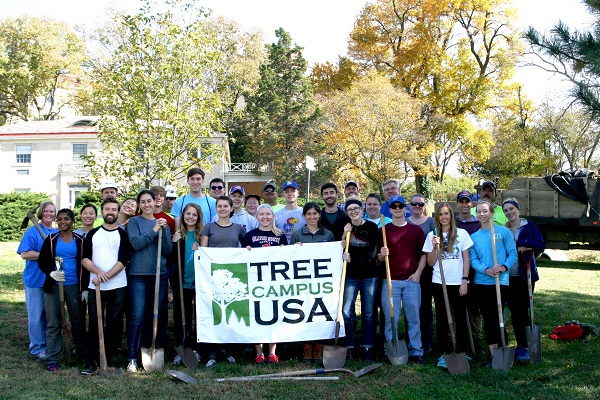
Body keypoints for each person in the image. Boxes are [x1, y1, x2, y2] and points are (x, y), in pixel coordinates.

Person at [81, 198, 131, 375]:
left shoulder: (123, 234)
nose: (110, 212)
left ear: (118, 212)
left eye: (114, 209)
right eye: (107, 209)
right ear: (102, 212)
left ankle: (106, 357)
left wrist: (106, 276)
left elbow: (123, 260)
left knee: (114, 323)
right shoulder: (93, 234)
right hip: (96, 286)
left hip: (117, 285)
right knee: (94, 322)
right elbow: (85, 258)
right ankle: (90, 360)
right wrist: (97, 272)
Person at [126, 190, 172, 373]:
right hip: (138, 274)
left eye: (149, 201)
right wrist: (154, 230)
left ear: (155, 203)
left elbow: (167, 250)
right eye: (142, 202)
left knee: (156, 314)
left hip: (159, 274)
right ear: (139, 205)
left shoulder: (162, 223)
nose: (146, 205)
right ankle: (131, 357)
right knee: (137, 315)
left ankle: (152, 347)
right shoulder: (134, 222)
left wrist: (165, 230)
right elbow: (136, 244)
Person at [377, 195, 427, 364]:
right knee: (391, 318)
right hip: (390, 282)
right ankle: (390, 348)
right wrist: (382, 256)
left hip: (411, 281)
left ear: (405, 208)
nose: (397, 209)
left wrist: (418, 273)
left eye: (400, 206)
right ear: (390, 210)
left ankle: (416, 351)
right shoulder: (383, 231)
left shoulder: (415, 230)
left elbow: (423, 254)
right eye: (394, 206)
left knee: (413, 318)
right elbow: (378, 258)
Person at [423, 203, 473, 369]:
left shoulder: (462, 234)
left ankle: (461, 351)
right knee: (443, 318)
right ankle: (445, 352)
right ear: (437, 217)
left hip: (458, 282)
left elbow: (466, 258)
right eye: (441, 214)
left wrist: (465, 279)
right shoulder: (432, 235)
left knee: (460, 317)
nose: (444, 217)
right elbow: (430, 263)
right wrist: (435, 247)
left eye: (447, 213)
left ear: (451, 215)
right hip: (439, 282)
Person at [37, 208, 86, 372]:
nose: (63, 222)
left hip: (73, 285)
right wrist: (51, 272)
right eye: (60, 219)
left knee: (77, 321)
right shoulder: (51, 239)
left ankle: (81, 352)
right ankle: (52, 358)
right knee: (53, 323)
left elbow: (85, 264)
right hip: (54, 286)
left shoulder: (80, 239)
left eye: (66, 219)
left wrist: (84, 288)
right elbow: (43, 260)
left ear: (72, 221)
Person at [469, 200, 517, 365]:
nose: (482, 214)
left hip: (500, 281)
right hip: (482, 282)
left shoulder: (503, 233)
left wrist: (503, 267)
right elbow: (473, 259)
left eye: (485, 211)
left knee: (499, 315)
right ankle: (493, 354)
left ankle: (503, 348)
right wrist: (485, 269)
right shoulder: (474, 237)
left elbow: (513, 254)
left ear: (491, 213)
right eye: (479, 212)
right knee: (488, 318)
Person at [201, 195, 246, 367]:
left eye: (225, 206)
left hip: (232, 276)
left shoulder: (238, 228)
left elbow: (246, 247)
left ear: (231, 208)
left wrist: (248, 249)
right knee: (214, 313)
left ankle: (228, 351)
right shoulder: (209, 227)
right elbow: (203, 252)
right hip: (212, 276)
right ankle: (212, 352)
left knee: (229, 314)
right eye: (219, 206)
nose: (222, 209)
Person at [242, 204, 288, 364]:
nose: (265, 217)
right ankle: (259, 352)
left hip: (274, 282)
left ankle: (272, 352)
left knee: (274, 314)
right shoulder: (249, 236)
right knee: (257, 316)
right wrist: (245, 251)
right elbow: (240, 258)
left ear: (273, 216)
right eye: (261, 214)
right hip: (255, 282)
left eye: (268, 214)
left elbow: (289, 258)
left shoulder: (281, 235)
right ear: (257, 217)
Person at [289, 202, 335, 364]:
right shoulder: (296, 235)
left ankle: (319, 348)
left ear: (319, 215)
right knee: (306, 314)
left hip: (322, 283)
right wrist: (294, 249)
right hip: (303, 282)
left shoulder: (328, 235)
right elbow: (288, 258)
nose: (312, 217)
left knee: (321, 314)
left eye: (315, 214)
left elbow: (332, 258)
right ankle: (307, 347)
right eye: (309, 214)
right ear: (304, 216)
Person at [502, 198, 545, 362]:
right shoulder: (504, 229)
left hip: (525, 274)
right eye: (506, 210)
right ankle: (521, 345)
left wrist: (524, 245)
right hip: (508, 276)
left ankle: (526, 346)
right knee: (514, 310)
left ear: (518, 209)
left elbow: (540, 245)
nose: (509, 212)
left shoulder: (529, 227)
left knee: (522, 310)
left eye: (511, 209)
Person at [17, 201, 58, 361]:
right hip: (35, 279)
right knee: (36, 315)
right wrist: (44, 254)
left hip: (51, 280)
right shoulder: (32, 232)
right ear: (40, 213)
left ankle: (49, 344)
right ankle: (37, 348)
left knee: (49, 315)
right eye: (46, 211)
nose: (49, 214)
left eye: (52, 211)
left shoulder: (56, 232)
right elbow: (25, 254)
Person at [341, 196, 380, 362]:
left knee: (369, 313)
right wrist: (344, 234)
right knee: (346, 311)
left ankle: (367, 346)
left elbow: (372, 253)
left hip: (369, 275)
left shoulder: (371, 227)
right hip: (350, 276)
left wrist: (353, 259)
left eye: (356, 208)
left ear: (362, 210)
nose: (354, 212)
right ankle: (349, 346)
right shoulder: (346, 229)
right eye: (350, 210)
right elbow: (340, 247)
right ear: (347, 212)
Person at [170, 203, 203, 365]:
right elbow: (169, 258)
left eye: (194, 214)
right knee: (181, 316)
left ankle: (196, 348)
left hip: (199, 284)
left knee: (199, 317)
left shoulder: (201, 235)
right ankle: (182, 346)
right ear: (183, 216)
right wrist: (174, 242)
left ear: (198, 217)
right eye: (188, 214)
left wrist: (201, 249)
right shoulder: (177, 235)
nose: (191, 217)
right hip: (181, 283)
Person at [455, 190, 484, 354]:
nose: (464, 204)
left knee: (474, 308)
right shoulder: (453, 222)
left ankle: (476, 340)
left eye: (467, 202)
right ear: (458, 204)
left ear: (471, 204)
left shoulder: (477, 223)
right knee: (456, 307)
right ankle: (459, 339)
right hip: (455, 271)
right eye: (461, 201)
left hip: (475, 271)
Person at [407, 194, 435, 354]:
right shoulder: (406, 222)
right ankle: (413, 339)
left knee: (425, 306)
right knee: (412, 306)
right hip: (410, 268)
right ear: (409, 205)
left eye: (420, 204)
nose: (417, 206)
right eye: (414, 203)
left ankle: (427, 340)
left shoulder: (431, 223)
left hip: (427, 269)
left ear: (425, 206)